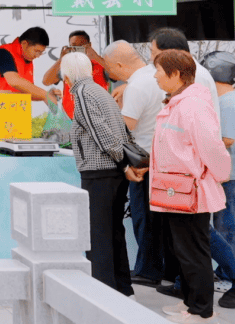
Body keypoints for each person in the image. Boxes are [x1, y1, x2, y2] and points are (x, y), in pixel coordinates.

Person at [128, 50, 230, 324]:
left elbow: (211, 146)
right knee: (182, 250)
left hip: (190, 190)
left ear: (175, 74)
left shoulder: (193, 105)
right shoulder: (178, 102)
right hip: (175, 189)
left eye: (159, 71)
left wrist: (220, 174)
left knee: (193, 252)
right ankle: (190, 303)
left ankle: (202, 310)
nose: (155, 76)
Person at [62, 52, 134, 296]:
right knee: (114, 230)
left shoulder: (81, 93)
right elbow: (121, 130)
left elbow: (98, 131)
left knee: (98, 232)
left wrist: (122, 161)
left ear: (66, 76)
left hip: (99, 170)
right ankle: (122, 287)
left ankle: (103, 291)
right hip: (114, 171)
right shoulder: (101, 91)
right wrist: (124, 163)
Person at [103, 40, 166, 287]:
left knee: (144, 217)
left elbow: (124, 128)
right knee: (155, 219)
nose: (110, 73)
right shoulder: (154, 75)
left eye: (109, 67)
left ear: (119, 64)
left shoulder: (137, 85)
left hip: (143, 161)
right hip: (159, 157)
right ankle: (159, 269)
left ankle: (149, 271)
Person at [204, 51, 235, 309]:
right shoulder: (225, 100)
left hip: (230, 176)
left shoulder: (229, 102)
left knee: (227, 229)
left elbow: (227, 139)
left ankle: (229, 276)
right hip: (226, 174)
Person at [0, 26, 56, 117]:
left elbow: (28, 93)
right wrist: (44, 94)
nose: (38, 55)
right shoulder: (3, 52)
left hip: (12, 117)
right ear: (25, 43)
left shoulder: (28, 61)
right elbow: (14, 81)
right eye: (36, 51)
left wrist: (47, 95)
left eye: (41, 52)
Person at [147, 28, 221, 115]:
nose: (152, 58)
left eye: (154, 53)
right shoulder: (176, 73)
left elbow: (196, 121)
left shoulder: (196, 76)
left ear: (171, 52)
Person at [42, 31, 108, 119]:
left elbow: (118, 73)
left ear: (89, 45)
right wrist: (61, 59)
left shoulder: (100, 65)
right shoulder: (66, 66)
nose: (77, 50)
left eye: (81, 46)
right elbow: (46, 81)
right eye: (74, 46)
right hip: (71, 120)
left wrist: (95, 56)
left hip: (98, 119)